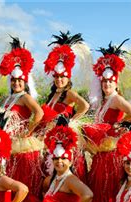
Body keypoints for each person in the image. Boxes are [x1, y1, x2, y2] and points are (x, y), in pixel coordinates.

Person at [84, 39, 131, 202]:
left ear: (116, 83)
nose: (107, 85)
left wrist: (119, 127)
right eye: (104, 82)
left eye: (110, 82)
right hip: (101, 151)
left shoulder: (115, 99)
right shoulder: (104, 101)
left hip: (111, 151)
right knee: (99, 183)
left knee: (108, 183)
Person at [0, 36, 44, 202]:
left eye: (19, 80)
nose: (17, 83)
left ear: (25, 81)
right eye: (14, 80)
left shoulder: (25, 97)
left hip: (23, 145)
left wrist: (28, 130)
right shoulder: (9, 98)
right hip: (11, 144)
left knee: (24, 179)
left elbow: (38, 113)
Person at [41, 31, 90, 182]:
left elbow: (85, 106)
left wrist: (72, 122)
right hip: (52, 138)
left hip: (64, 138)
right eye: (56, 76)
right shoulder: (52, 95)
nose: (59, 79)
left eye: (62, 77)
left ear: (67, 77)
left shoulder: (70, 94)